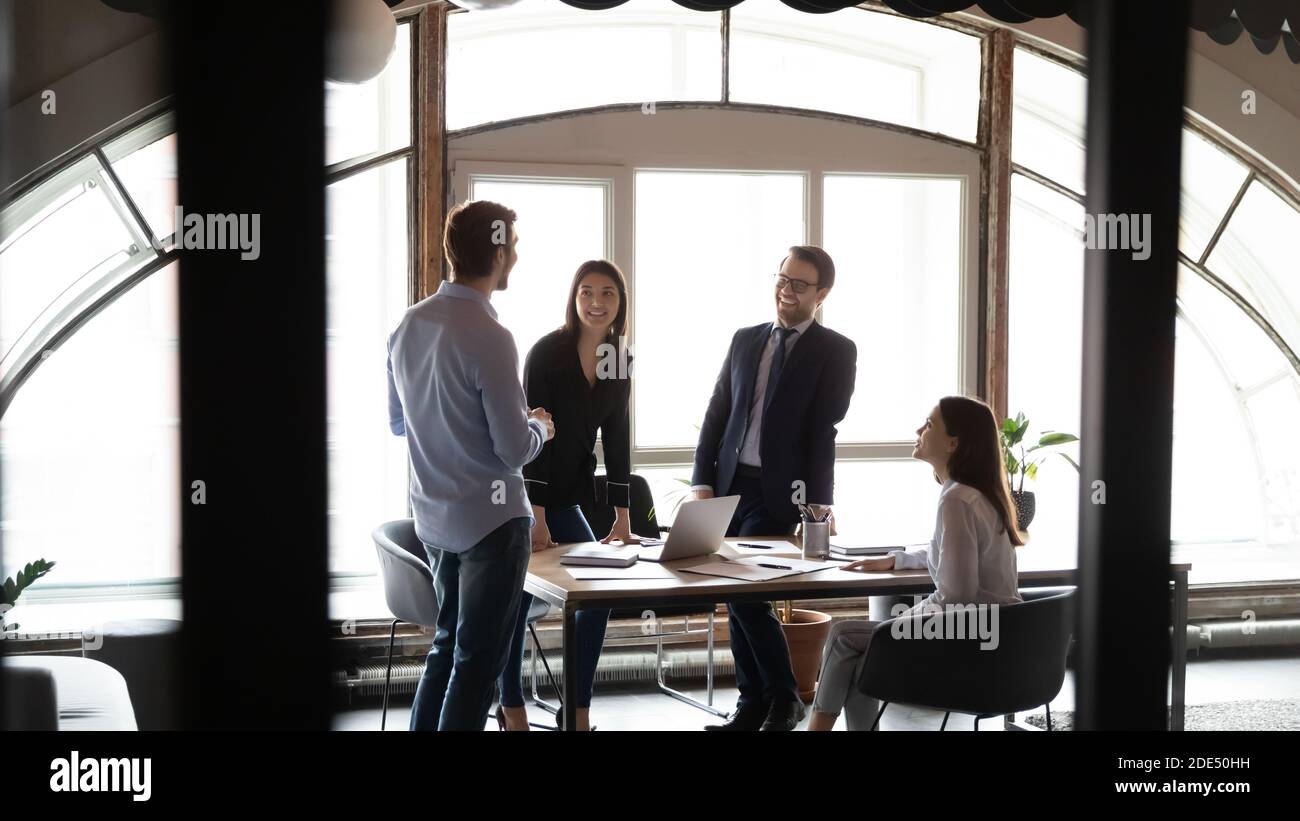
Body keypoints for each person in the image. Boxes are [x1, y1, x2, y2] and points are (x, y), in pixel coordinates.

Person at [387, 200, 555, 731]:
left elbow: (398, 422)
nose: (518, 257)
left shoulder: (408, 325)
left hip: (435, 521)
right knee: (477, 664)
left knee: (446, 649)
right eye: (516, 247)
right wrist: (540, 428)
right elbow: (512, 450)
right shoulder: (491, 336)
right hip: (493, 522)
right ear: (500, 252)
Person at [692, 246, 857, 732]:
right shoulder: (745, 340)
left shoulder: (836, 349)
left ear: (822, 294)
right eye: (782, 279)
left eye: (799, 284)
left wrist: (820, 505)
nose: (786, 289)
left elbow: (824, 429)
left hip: (781, 491)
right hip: (728, 485)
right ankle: (754, 703)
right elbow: (717, 411)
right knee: (735, 592)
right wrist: (701, 480)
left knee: (745, 591)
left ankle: (783, 698)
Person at [807, 395, 1025, 731]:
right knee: (861, 656)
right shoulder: (977, 495)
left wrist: (895, 624)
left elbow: (956, 597)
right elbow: (954, 554)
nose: (919, 429)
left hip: (972, 645)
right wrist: (896, 560)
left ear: (953, 443)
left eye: (930, 424)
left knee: (843, 635)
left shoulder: (956, 499)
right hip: (1003, 642)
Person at [497, 260, 637, 732]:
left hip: (570, 492)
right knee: (514, 600)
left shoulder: (619, 357)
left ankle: (576, 708)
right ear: (574, 298)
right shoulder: (547, 352)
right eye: (587, 292)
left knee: (595, 596)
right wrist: (536, 518)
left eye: (608, 294)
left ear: (621, 303)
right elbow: (531, 433)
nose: (597, 303)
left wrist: (623, 518)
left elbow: (618, 439)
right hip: (522, 493)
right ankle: (510, 705)